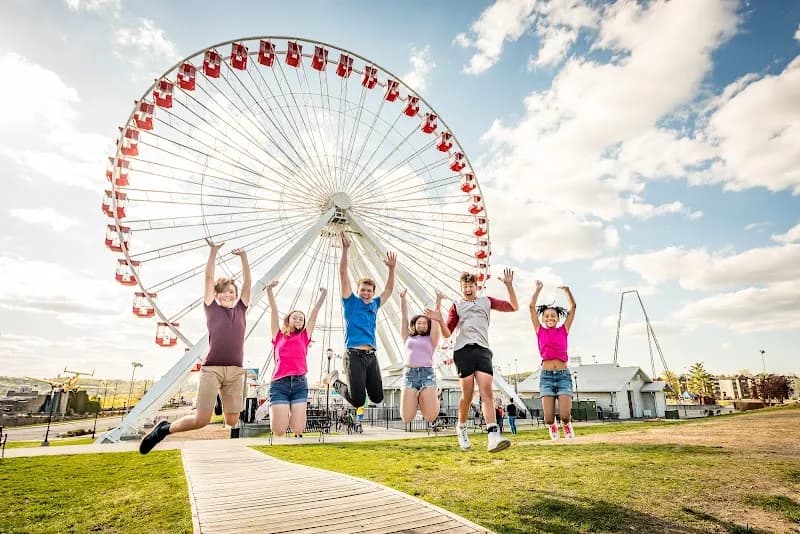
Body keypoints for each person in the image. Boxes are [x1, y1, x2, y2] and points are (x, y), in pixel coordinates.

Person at [140, 240, 251, 454]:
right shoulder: (212, 309)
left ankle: (220, 396)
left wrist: (244, 258)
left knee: (232, 419)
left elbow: (247, 283)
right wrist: (213, 252)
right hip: (212, 369)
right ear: (217, 295)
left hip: (235, 372)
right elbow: (208, 279)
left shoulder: (241, 308)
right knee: (201, 420)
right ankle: (164, 429)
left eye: (232, 292)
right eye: (225, 292)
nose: (230, 295)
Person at [444, 270, 518, 452]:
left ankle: (493, 435)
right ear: (461, 288)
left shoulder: (487, 301)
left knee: (487, 392)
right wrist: (438, 320)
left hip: (483, 349)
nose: (468, 289)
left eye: (471, 286)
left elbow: (513, 306)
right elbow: (447, 332)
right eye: (465, 286)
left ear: (477, 287)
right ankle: (461, 427)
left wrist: (509, 285)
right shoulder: (456, 305)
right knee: (468, 395)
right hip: (463, 350)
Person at [323, 232, 396, 409]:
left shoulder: (375, 304)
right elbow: (343, 274)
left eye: (369, 290)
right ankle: (333, 380)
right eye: (362, 290)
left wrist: (391, 269)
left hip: (371, 356)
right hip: (354, 355)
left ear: (372, 292)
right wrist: (345, 249)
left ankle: (354, 385)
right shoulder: (351, 302)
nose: (365, 293)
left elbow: (388, 290)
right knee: (357, 401)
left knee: (378, 398)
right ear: (358, 290)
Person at [266, 281, 327, 438]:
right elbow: (273, 311)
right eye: (295, 317)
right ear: (288, 320)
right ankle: (277, 409)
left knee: (298, 430)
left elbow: (314, 313)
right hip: (279, 383)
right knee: (279, 430)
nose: (299, 320)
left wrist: (323, 295)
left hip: (299, 383)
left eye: (301, 319)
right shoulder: (278, 335)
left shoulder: (305, 336)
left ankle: (286, 412)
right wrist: (269, 290)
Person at [529, 281, 576, 441]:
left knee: (564, 415)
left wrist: (567, 291)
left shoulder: (564, 330)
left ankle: (566, 425)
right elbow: (531, 308)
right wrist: (537, 290)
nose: (550, 318)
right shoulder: (539, 330)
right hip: (547, 377)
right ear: (542, 318)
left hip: (563, 376)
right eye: (547, 316)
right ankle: (553, 425)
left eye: (553, 316)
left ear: (557, 318)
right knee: (548, 418)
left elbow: (573, 308)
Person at [399, 288, 450, 424]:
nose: (422, 325)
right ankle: (420, 398)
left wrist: (438, 300)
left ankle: (433, 397)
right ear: (414, 325)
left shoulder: (432, 339)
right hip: (409, 375)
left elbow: (435, 318)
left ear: (428, 326)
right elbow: (404, 319)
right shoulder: (407, 337)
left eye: (424, 323)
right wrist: (403, 300)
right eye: (419, 323)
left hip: (427, 374)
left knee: (430, 417)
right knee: (407, 417)